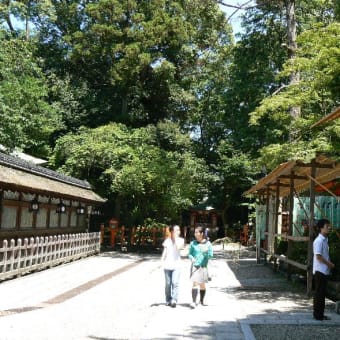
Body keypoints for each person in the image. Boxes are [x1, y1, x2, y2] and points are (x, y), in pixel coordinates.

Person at [313, 218, 335, 321]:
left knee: (322, 294)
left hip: (324, 270)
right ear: (321, 228)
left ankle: (320, 314)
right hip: (320, 270)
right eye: (327, 226)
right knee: (319, 294)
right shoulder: (319, 241)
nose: (329, 228)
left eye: (329, 226)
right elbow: (318, 256)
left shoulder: (325, 240)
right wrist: (329, 264)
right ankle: (318, 315)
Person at [188, 226, 213, 308]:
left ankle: (201, 301)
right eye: (195, 232)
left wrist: (206, 253)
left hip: (203, 266)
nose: (195, 234)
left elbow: (210, 256)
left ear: (202, 233)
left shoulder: (208, 244)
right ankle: (193, 302)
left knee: (202, 284)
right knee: (195, 282)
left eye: (197, 232)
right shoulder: (193, 243)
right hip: (195, 266)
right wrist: (192, 258)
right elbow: (189, 254)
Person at [161, 225, 184, 308]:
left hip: (177, 264)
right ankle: (168, 299)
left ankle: (174, 299)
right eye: (175, 230)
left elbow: (178, 247)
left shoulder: (181, 240)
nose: (177, 231)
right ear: (172, 231)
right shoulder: (167, 241)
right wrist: (161, 260)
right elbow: (165, 251)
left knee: (175, 282)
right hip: (167, 264)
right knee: (168, 284)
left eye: (178, 230)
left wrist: (175, 239)